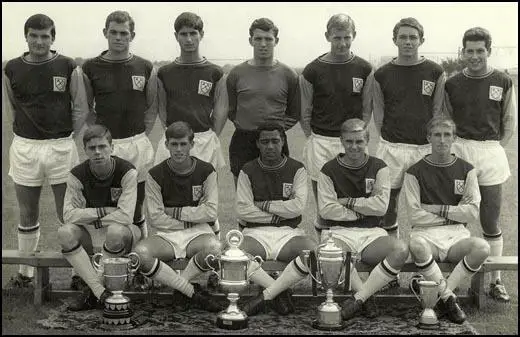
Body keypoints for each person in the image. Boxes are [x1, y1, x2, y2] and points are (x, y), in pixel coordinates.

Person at [2, 13, 88, 288]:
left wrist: (65, 136)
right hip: (26, 147)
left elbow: (80, 107)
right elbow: (11, 108)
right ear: (26, 37)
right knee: (28, 212)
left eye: (45, 36)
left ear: (53, 38)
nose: (39, 41)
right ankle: (26, 275)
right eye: (34, 36)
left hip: (61, 146)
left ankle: (79, 274)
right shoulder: (11, 68)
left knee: (69, 213)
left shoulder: (67, 65)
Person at [443, 27, 516, 303]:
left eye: (480, 51)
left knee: (490, 217)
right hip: (460, 149)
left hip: (489, 151)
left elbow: (509, 121)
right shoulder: (452, 83)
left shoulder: (502, 80)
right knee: (450, 215)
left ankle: (495, 281)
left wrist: (495, 147)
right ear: (463, 52)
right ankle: (445, 279)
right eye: (469, 51)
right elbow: (447, 119)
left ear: (489, 50)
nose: (474, 56)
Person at [317, 118, 409, 321]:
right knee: (331, 255)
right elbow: (327, 210)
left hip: (371, 234)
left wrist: (347, 202)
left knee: (400, 250)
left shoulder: (379, 167)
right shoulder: (328, 169)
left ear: (367, 140)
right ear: (341, 141)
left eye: (359, 141)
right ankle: (366, 300)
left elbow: (381, 208)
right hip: (338, 232)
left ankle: (359, 298)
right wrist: (363, 209)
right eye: (349, 141)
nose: (354, 146)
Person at [82, 10, 157, 250]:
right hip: (107, 147)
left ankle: (141, 260)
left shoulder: (144, 66)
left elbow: (151, 107)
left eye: (124, 33)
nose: (118, 37)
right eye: (113, 32)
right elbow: (87, 108)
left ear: (132, 35)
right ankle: (109, 257)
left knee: (137, 205)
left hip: (136, 143)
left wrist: (139, 132)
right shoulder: (90, 67)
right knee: (108, 205)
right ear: (105, 33)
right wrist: (102, 135)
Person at [403, 116, 489, 324]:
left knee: (482, 248)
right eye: (437, 135)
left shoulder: (467, 170)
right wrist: (452, 214)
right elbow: (415, 215)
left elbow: (471, 213)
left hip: (456, 236)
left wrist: (435, 209)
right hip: (426, 235)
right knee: (416, 245)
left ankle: (442, 295)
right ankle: (449, 298)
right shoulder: (414, 171)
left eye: (447, 135)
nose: (442, 140)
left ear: (454, 138)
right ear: (428, 138)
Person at [131, 121, 223, 312]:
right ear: (166, 145)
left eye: (183, 144)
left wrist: (176, 212)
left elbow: (211, 211)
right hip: (167, 234)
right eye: (174, 144)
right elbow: (156, 218)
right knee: (140, 255)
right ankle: (189, 290)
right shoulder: (155, 174)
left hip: (198, 232)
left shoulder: (206, 171)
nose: (179, 149)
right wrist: (191, 217)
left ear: (192, 144)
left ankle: (181, 289)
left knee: (215, 248)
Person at [372, 17, 445, 241]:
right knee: (387, 204)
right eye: (403, 37)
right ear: (395, 40)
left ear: (421, 40)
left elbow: (437, 110)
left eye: (413, 37)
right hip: (391, 147)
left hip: (423, 147)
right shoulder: (382, 73)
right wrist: (389, 136)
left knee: (426, 205)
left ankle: (424, 263)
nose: (408, 41)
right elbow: (379, 112)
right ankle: (390, 264)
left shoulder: (434, 71)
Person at [300, 13, 373, 234]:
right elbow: (305, 112)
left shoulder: (364, 68)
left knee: (357, 198)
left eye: (347, 37)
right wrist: (315, 137)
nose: (342, 43)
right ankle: (325, 251)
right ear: (327, 36)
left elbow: (366, 109)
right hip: (321, 141)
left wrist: (356, 136)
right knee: (325, 202)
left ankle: (356, 244)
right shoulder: (312, 70)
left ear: (354, 36)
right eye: (337, 37)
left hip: (352, 142)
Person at [235, 123, 317, 316]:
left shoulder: (297, 168)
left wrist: (263, 205)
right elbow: (243, 211)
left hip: (288, 233)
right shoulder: (247, 170)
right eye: (265, 142)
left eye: (275, 141)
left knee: (313, 253)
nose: (270, 146)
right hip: (255, 233)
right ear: (257, 144)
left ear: (282, 142)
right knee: (233, 255)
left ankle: (268, 293)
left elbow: (297, 207)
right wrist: (280, 212)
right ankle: (278, 291)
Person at [57, 124, 142, 311]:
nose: (97, 152)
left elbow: (126, 216)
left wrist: (89, 216)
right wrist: (104, 211)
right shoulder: (76, 175)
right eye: (92, 148)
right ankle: (99, 291)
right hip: (91, 231)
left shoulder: (127, 171)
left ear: (112, 148)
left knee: (115, 231)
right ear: (85, 151)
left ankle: (93, 291)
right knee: (64, 232)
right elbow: (68, 215)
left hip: (124, 233)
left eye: (102, 146)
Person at [227, 18, 300, 185]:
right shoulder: (236, 74)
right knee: (244, 195)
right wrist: (248, 124)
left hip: (275, 140)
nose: (263, 44)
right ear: (250, 40)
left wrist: (275, 129)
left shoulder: (288, 74)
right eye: (258, 39)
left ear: (276, 41)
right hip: (243, 140)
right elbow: (231, 110)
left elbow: (294, 112)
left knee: (277, 192)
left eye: (268, 39)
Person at [153, 12, 227, 173]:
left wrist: (211, 134)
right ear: (176, 36)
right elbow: (162, 107)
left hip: (204, 140)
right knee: (171, 191)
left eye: (193, 33)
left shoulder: (214, 72)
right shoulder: (165, 72)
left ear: (201, 35)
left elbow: (221, 109)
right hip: (174, 141)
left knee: (205, 192)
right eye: (183, 34)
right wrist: (171, 132)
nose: (188, 39)